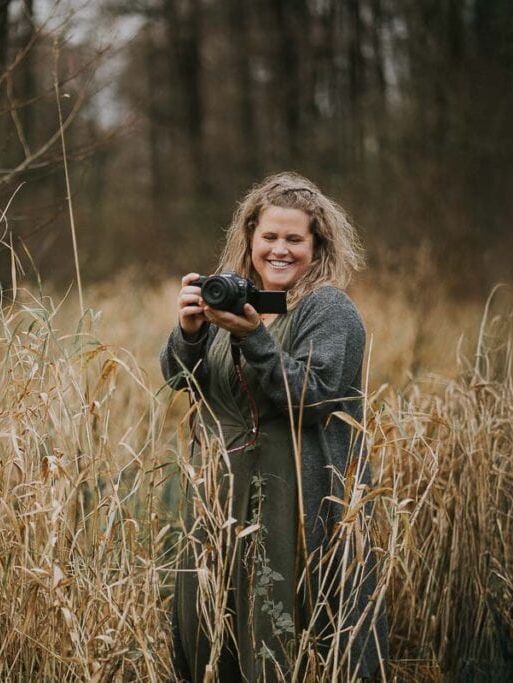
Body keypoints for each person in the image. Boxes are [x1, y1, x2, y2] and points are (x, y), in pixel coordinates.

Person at [160, 172, 387, 681]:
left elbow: (312, 394)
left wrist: (253, 339)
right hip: (221, 496)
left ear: (317, 245)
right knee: (210, 624)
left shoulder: (329, 309)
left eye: (294, 239)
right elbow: (178, 378)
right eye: (269, 237)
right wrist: (191, 332)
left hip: (297, 502)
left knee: (284, 626)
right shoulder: (231, 300)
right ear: (250, 239)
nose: (279, 250)